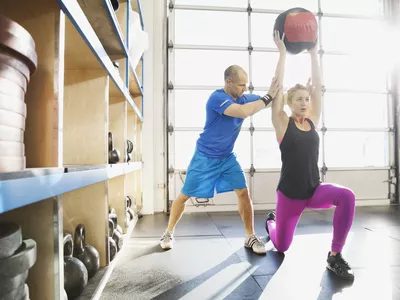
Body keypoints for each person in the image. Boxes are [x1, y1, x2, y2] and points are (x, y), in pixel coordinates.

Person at [160, 65, 282, 254]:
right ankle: (168, 232)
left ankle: (250, 236)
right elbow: (243, 112)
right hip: (204, 157)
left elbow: (269, 100)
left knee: (243, 192)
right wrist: (267, 97)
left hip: (227, 157)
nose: (244, 89)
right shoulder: (217, 99)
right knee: (184, 196)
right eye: (241, 85)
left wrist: (291, 94)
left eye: (246, 85)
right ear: (228, 82)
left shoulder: (243, 98)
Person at [265, 31, 356, 280]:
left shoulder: (313, 121)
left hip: (314, 190)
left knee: (347, 196)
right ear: (289, 103)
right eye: (299, 100)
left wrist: (314, 53)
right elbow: (278, 86)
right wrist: (282, 54)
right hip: (290, 196)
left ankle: (335, 256)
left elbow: (317, 88)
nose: (305, 103)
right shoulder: (282, 123)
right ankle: (271, 223)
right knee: (281, 246)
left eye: (307, 99)